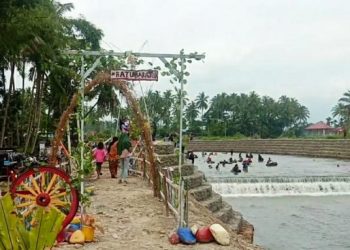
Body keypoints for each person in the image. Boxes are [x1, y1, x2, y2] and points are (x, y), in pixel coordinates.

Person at [118, 118, 132, 184]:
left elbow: (118, 147)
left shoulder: (120, 141)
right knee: (126, 167)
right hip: (126, 155)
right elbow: (129, 148)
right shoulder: (127, 141)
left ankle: (120, 179)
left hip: (121, 155)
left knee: (122, 167)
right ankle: (125, 180)